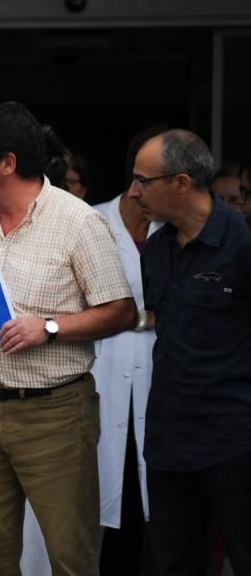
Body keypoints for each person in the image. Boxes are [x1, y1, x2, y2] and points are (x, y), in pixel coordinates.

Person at [0, 101, 136, 576]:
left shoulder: (78, 221)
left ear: (7, 163)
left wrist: (48, 327)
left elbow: (121, 310)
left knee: (69, 551)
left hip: (53, 414)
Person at [128, 129, 251, 576]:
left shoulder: (241, 241)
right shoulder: (157, 248)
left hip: (233, 442)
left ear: (181, 183)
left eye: (143, 180)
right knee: (174, 562)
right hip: (168, 441)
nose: (133, 191)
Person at [90, 127, 164, 576]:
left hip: (161, 382)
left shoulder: (175, 231)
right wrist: (139, 317)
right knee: (103, 511)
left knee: (153, 507)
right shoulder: (91, 222)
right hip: (100, 377)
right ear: (135, 181)